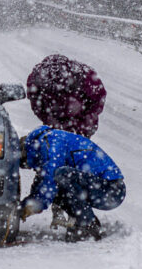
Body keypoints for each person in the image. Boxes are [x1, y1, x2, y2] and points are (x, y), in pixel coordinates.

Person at [19, 54, 125, 241]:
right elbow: (44, 177)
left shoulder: (53, 142)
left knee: (61, 175)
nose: (29, 166)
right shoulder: (48, 140)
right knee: (58, 176)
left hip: (111, 191)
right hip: (102, 186)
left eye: (26, 163)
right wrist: (28, 203)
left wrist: (83, 123)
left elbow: (50, 174)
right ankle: (79, 218)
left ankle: (86, 223)